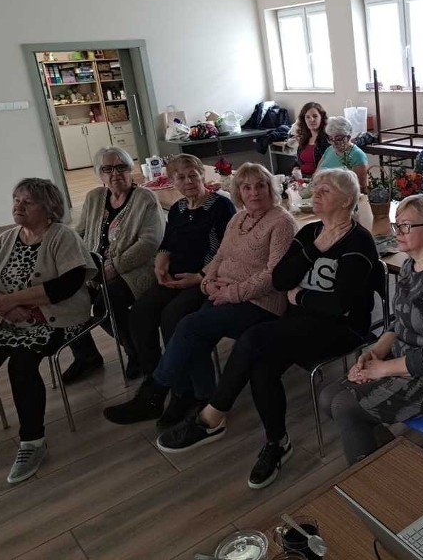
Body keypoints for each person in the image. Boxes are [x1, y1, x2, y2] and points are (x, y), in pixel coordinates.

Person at [155, 168, 379, 490]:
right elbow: (280, 280)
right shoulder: (310, 233)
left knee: (254, 339)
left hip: (342, 329)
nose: (315, 194)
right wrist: (314, 251)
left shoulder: (358, 241)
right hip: (300, 322)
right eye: (314, 188)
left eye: (324, 190)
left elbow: (338, 305)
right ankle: (277, 442)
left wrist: (299, 295)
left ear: (346, 201)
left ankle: (213, 416)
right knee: (260, 365)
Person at [102, 163, 297, 426]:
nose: (254, 192)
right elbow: (220, 256)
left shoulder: (281, 221)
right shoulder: (239, 218)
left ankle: (154, 394)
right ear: (238, 191)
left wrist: (231, 293)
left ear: (270, 188)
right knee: (195, 336)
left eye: (261, 185)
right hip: (223, 293)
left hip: (259, 303)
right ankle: (202, 397)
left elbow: (275, 275)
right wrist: (207, 284)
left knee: (189, 325)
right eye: (246, 187)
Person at [321, 193, 423, 466]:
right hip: (408, 360)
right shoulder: (409, 265)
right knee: (328, 397)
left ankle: (375, 484)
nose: (397, 232)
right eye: (397, 225)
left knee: (344, 406)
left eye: (406, 226)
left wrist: (382, 368)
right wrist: (376, 351)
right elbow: (401, 319)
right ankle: (389, 462)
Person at [0, 179, 95, 484]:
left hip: (53, 319)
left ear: (48, 208)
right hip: (10, 319)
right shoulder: (7, 239)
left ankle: (32, 442)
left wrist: (12, 300)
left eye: (27, 202)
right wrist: (2, 306)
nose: (18, 206)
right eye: (16, 199)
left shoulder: (62, 237)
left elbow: (67, 285)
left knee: (22, 366)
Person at [124, 154, 236, 380]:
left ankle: (182, 384)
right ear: (172, 182)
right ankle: (154, 375)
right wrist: (161, 260)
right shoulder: (178, 209)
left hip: (206, 279)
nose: (188, 181)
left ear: (202, 175)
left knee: (172, 317)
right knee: (139, 313)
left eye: (193, 175)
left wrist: (199, 276)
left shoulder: (221, 206)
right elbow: (168, 241)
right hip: (175, 277)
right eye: (181, 177)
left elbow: (229, 250)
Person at [63, 147, 164, 384]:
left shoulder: (145, 198)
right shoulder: (94, 197)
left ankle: (135, 353)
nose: (115, 174)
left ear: (130, 170)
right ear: (100, 174)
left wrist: (115, 267)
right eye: (107, 169)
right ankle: (86, 356)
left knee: (105, 305)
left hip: (137, 269)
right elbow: (80, 232)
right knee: (64, 297)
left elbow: (150, 243)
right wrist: (72, 261)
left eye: (121, 167)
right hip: (95, 267)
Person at [317, 116, 369, 191]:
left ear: (348, 137)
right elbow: (316, 174)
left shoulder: (358, 156)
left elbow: (358, 188)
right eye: (331, 139)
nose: (334, 143)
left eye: (338, 139)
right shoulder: (329, 150)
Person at [292, 102, 329, 177]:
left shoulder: (327, 140)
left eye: (315, 116)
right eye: (307, 117)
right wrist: (295, 169)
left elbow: (327, 166)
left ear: (321, 118)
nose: (311, 120)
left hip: (318, 179)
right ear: (304, 120)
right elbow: (298, 161)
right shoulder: (304, 138)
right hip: (301, 178)